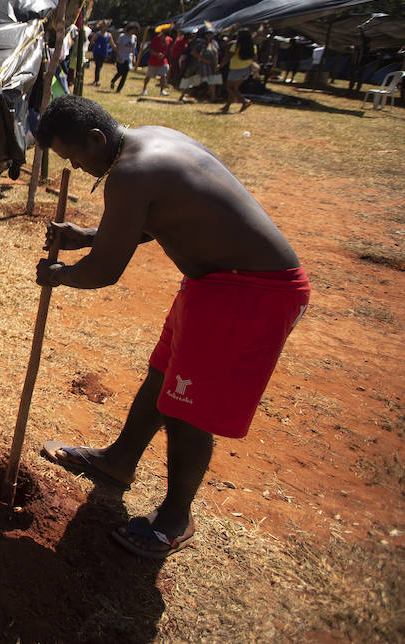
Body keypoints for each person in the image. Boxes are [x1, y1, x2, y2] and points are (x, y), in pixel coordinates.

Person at [33, 95, 309, 559]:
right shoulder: (149, 141)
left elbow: (104, 272)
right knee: (165, 375)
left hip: (253, 292)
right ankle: (119, 461)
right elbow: (153, 220)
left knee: (187, 405)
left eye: (75, 159)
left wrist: (60, 275)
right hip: (216, 284)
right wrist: (87, 236)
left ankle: (175, 519)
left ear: (96, 139)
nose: (78, 170)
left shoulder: (128, 173)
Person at [221, 28, 256, 112]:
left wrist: (221, 65)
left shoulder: (236, 45)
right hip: (247, 69)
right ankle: (227, 106)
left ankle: (244, 101)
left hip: (236, 69)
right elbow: (254, 58)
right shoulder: (253, 46)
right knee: (234, 88)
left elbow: (229, 57)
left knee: (230, 88)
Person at [138, 27, 171, 96]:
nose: (164, 36)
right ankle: (144, 90)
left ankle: (162, 91)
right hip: (153, 61)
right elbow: (150, 49)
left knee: (163, 75)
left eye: (166, 35)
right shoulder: (155, 39)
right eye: (163, 34)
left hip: (163, 61)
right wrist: (157, 54)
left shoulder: (169, 40)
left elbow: (170, 48)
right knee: (149, 76)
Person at [110, 22, 138, 93]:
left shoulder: (134, 38)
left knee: (125, 74)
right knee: (120, 72)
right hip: (121, 56)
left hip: (128, 57)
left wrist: (134, 57)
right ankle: (113, 81)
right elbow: (118, 47)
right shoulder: (122, 36)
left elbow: (133, 49)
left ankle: (118, 89)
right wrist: (118, 56)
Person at [90, 21, 113, 86]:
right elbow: (92, 41)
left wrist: (116, 50)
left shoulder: (109, 35)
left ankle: (96, 80)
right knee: (98, 66)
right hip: (97, 52)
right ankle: (96, 80)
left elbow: (112, 44)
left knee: (100, 66)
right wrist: (95, 46)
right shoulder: (97, 34)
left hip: (104, 52)